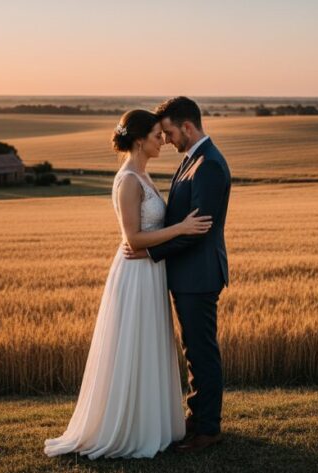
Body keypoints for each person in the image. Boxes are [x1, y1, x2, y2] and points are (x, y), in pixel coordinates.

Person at [44, 109, 212, 459]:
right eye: (156, 135)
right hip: (135, 273)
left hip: (151, 271)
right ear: (139, 140)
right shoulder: (128, 181)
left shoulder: (143, 175)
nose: (162, 141)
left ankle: (151, 423)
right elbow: (133, 239)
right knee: (133, 345)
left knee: (148, 344)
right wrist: (181, 229)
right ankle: (127, 427)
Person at [124, 96, 231, 453]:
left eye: (169, 132)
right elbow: (180, 225)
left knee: (202, 352)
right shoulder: (192, 160)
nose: (166, 139)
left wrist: (149, 251)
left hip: (198, 275)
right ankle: (197, 416)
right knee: (193, 350)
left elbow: (196, 229)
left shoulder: (209, 165)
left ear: (187, 126)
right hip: (186, 275)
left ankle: (208, 429)